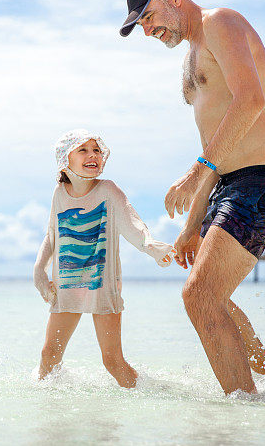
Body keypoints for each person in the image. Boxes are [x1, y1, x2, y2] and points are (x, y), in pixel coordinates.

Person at [120, 0, 265, 395]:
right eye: (141, 25)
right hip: (231, 184)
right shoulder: (191, 57)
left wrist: (197, 171)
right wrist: (190, 225)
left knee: (198, 296)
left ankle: (244, 418)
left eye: (147, 17)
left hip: (263, 179)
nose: (147, 31)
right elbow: (214, 146)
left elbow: (251, 101)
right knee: (207, 294)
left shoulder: (220, 22)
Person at [33, 129, 175, 388]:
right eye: (83, 150)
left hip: (101, 283)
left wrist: (153, 247)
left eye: (97, 150)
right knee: (48, 356)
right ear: (66, 159)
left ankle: (155, 396)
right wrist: (39, 270)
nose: (93, 155)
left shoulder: (107, 190)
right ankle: (49, 415)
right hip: (67, 285)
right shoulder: (59, 193)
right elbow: (52, 234)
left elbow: (132, 223)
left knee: (112, 362)